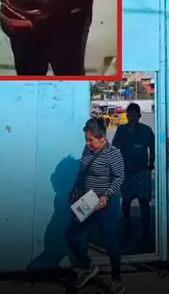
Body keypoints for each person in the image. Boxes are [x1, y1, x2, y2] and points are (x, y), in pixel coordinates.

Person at [66, 118, 126, 293]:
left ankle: (117, 281)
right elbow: (82, 171)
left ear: (102, 138)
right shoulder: (87, 149)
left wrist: (106, 196)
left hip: (106, 203)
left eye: (90, 140)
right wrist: (75, 189)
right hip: (88, 200)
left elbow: (119, 178)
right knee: (71, 234)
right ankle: (87, 267)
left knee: (110, 240)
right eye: (86, 139)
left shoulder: (114, 154)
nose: (87, 143)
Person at [111, 102, 155, 245]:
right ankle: (128, 226)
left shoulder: (146, 130)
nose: (132, 118)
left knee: (144, 202)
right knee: (127, 200)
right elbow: (115, 146)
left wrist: (150, 165)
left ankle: (145, 232)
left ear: (140, 116)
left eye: (134, 116)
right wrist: (127, 135)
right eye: (129, 116)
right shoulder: (122, 129)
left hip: (142, 170)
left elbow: (152, 148)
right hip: (127, 171)